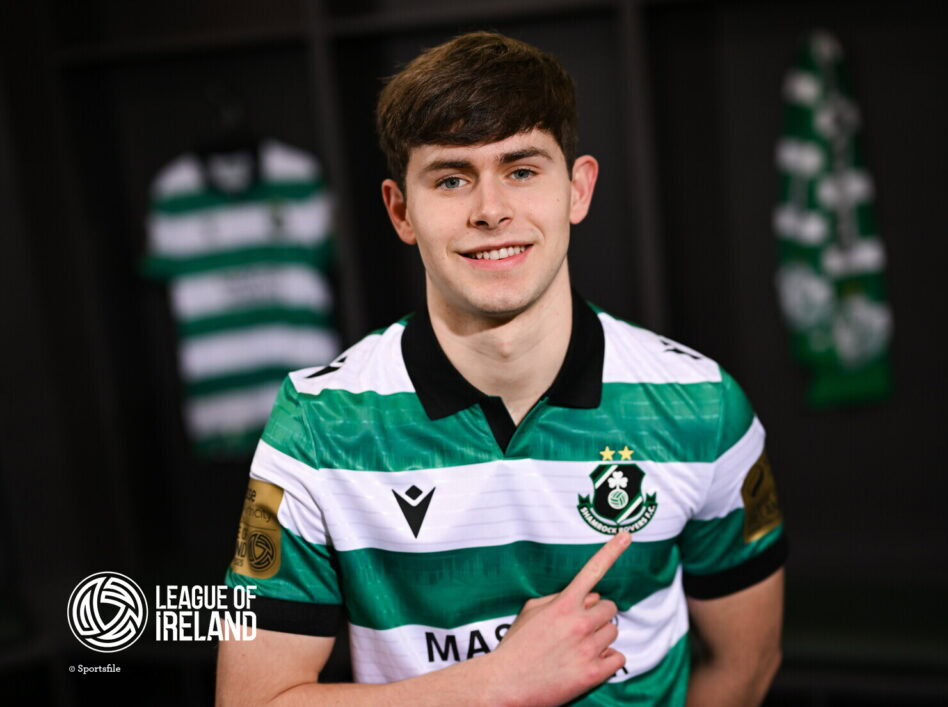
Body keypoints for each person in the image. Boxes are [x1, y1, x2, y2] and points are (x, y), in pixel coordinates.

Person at [216, 31, 786, 706]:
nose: (490, 210)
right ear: (401, 210)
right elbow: (250, 700)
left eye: (521, 170)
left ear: (577, 190)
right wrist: (496, 683)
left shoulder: (703, 407)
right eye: (452, 178)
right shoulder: (314, 428)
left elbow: (746, 664)